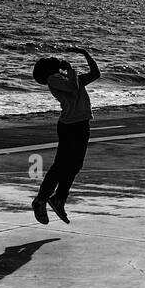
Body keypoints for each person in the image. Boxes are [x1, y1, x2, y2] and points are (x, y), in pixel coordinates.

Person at [30, 46, 100, 224]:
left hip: (82, 123)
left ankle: (59, 199)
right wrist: (70, 69)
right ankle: (41, 199)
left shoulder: (67, 77)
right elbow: (72, 86)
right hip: (70, 126)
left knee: (75, 165)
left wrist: (85, 54)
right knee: (61, 165)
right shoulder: (53, 79)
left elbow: (95, 74)